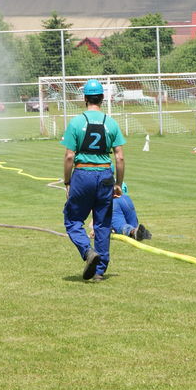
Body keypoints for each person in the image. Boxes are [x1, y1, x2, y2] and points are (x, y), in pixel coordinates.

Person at [61, 79, 126, 282]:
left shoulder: (76, 122)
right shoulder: (111, 122)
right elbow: (119, 157)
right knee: (103, 224)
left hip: (83, 174)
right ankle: (99, 271)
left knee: (72, 220)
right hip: (105, 174)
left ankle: (88, 252)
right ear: (102, 98)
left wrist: (67, 182)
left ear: (85, 98)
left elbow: (69, 156)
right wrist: (118, 183)